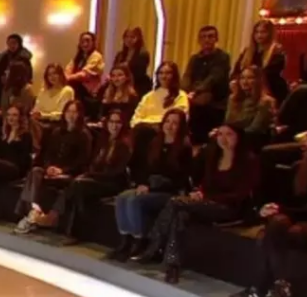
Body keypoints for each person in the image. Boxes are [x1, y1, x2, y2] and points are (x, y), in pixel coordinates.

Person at [132, 124, 259, 284]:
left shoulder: (248, 161)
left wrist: (208, 197)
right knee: (180, 216)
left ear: (239, 137)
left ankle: (154, 245)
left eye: (229, 134)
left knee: (175, 201)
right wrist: (199, 192)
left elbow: (241, 194)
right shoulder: (214, 156)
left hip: (231, 208)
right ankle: (172, 265)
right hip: (207, 203)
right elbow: (203, 182)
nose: (223, 139)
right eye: (220, 134)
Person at [229, 125, 307, 297]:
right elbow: (292, 201)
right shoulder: (301, 168)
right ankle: (276, 287)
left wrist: (285, 210)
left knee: (283, 232)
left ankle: (261, 289)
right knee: (276, 224)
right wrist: (273, 208)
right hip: (303, 219)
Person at [34, 108, 131, 244]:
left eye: (118, 122)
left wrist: (91, 175)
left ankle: (55, 216)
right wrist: (89, 174)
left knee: (79, 184)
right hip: (96, 178)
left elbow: (116, 172)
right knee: (75, 185)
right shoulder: (103, 141)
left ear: (123, 125)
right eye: (112, 122)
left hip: (112, 182)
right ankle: (68, 229)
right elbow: (92, 163)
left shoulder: (125, 145)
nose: (114, 126)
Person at [109, 109, 193, 261]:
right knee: (122, 198)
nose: (170, 126)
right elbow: (146, 169)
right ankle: (126, 240)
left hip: (168, 190)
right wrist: (142, 183)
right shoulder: (155, 142)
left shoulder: (184, 148)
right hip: (151, 185)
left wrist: (151, 187)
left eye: (175, 123)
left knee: (134, 201)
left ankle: (140, 241)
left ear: (181, 127)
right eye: (167, 121)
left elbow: (179, 179)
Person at [14, 100, 93, 234]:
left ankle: (30, 216)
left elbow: (82, 161)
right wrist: (49, 167)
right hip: (52, 170)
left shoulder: (84, 135)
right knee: (35, 171)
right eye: (68, 111)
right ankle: (34, 210)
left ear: (80, 114)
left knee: (44, 178)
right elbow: (47, 154)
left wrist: (62, 170)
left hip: (69, 173)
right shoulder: (56, 132)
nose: (71, 115)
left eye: (74, 112)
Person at [183, 25, 232, 144]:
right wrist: (184, 92)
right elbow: (187, 76)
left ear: (216, 39)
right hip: (195, 97)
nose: (207, 40)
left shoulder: (223, 57)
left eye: (210, 36)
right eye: (203, 37)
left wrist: (195, 91)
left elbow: (214, 78)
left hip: (215, 100)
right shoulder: (195, 58)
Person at [64, 31, 105, 121]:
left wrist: (68, 78)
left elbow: (84, 74)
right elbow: (68, 69)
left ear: (93, 42)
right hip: (78, 90)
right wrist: (65, 77)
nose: (85, 44)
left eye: (87, 41)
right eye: (82, 41)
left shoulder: (96, 56)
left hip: (89, 93)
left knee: (72, 85)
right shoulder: (78, 57)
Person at [112, 26, 152, 97]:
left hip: (137, 84)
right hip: (120, 85)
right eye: (126, 37)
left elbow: (139, 73)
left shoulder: (143, 54)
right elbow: (114, 69)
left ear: (138, 38)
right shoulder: (120, 54)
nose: (129, 40)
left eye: (132, 37)